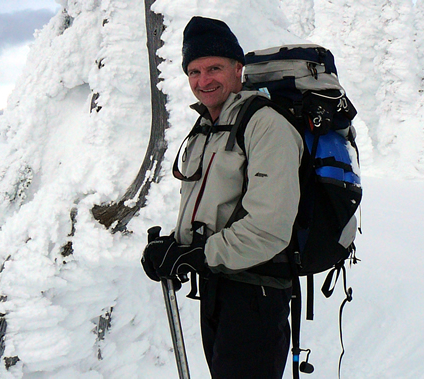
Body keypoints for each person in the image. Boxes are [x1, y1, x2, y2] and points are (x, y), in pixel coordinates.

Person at [141, 16, 303, 379]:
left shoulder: (265, 125)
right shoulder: (206, 128)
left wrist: (198, 255)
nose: (204, 80)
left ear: (238, 69)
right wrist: (174, 248)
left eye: (214, 67)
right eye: (194, 71)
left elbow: (268, 229)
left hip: (256, 293)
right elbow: (213, 207)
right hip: (218, 285)